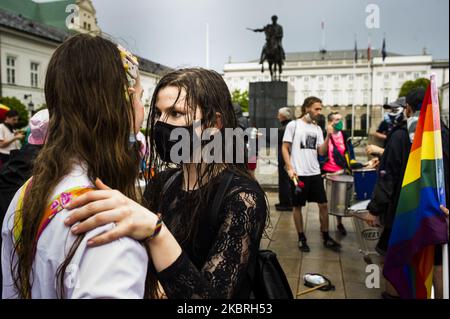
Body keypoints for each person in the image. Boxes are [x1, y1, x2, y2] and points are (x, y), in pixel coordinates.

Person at [63, 68, 269, 299]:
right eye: (159, 113)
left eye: (175, 113)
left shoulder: (242, 198)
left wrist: (157, 233)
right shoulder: (163, 183)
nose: (162, 123)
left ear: (213, 123)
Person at [2, 34, 152, 299]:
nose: (142, 110)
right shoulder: (107, 226)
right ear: (124, 104)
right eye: (140, 97)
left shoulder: (28, 191)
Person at [366, 87, 449, 299]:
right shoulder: (444, 133)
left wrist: (375, 209)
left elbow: (388, 176)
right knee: (437, 264)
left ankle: (392, 296)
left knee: (394, 258)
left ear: (409, 109)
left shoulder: (401, 135)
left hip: (403, 212)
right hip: (436, 213)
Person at [282, 96, 341, 252]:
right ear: (307, 108)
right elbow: (285, 147)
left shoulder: (316, 128)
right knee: (297, 206)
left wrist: (328, 135)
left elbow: (321, 151)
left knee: (323, 204)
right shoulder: (293, 125)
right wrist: (290, 167)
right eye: (316, 109)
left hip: (314, 172)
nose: (319, 112)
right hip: (298, 173)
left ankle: (326, 236)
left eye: (320, 109)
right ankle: (301, 238)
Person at [322, 112, 355, 236]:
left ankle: (339, 223)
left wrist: (350, 167)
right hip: (327, 172)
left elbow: (350, 154)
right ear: (330, 122)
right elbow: (320, 153)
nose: (340, 122)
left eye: (341, 119)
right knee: (324, 202)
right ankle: (324, 228)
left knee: (339, 200)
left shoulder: (344, 135)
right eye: (337, 120)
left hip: (341, 172)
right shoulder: (325, 135)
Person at [275, 107, 293, 211]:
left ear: (283, 116)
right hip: (288, 157)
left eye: (279, 114)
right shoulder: (289, 126)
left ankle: (286, 204)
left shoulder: (284, 129)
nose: (277, 116)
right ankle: (284, 202)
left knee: (284, 181)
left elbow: (274, 139)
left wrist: (261, 136)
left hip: (284, 158)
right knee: (285, 180)